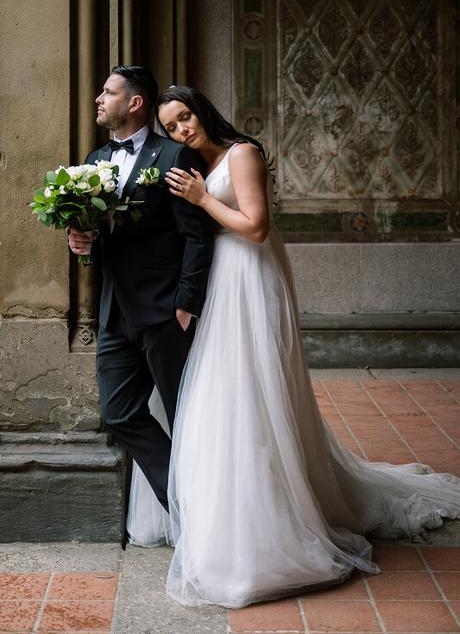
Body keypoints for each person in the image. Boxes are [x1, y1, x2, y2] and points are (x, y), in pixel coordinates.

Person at [127, 85, 460, 609]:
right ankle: (229, 509)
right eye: (170, 126)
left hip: (250, 277)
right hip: (220, 279)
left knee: (251, 387)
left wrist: (203, 199)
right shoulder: (195, 162)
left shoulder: (242, 154)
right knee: (222, 394)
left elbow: (256, 228)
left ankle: (275, 515)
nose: (181, 130)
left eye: (185, 117)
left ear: (203, 111)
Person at [68, 68, 215, 516]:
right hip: (115, 311)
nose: (98, 98)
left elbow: (197, 235)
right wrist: (82, 242)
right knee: (118, 413)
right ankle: (188, 505)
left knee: (184, 415)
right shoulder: (94, 159)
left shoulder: (173, 156)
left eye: (108, 92)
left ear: (134, 103)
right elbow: (99, 234)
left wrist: (186, 303)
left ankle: (211, 514)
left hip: (166, 311)